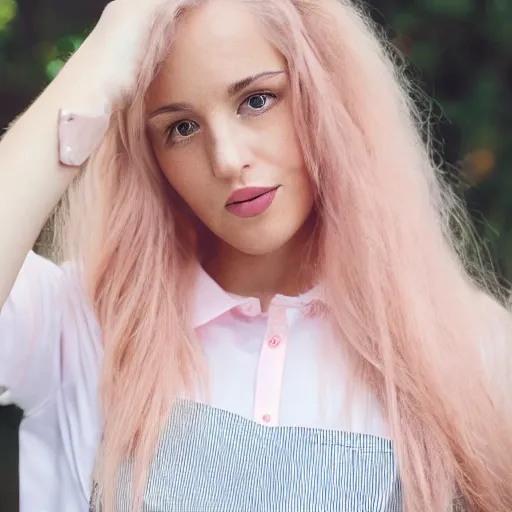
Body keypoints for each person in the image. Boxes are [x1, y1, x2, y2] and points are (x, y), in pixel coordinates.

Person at [1, 0, 511, 510]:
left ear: (328, 93)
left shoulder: (473, 355)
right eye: (181, 127)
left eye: (257, 100)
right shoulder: (81, 327)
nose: (226, 159)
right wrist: (103, 54)